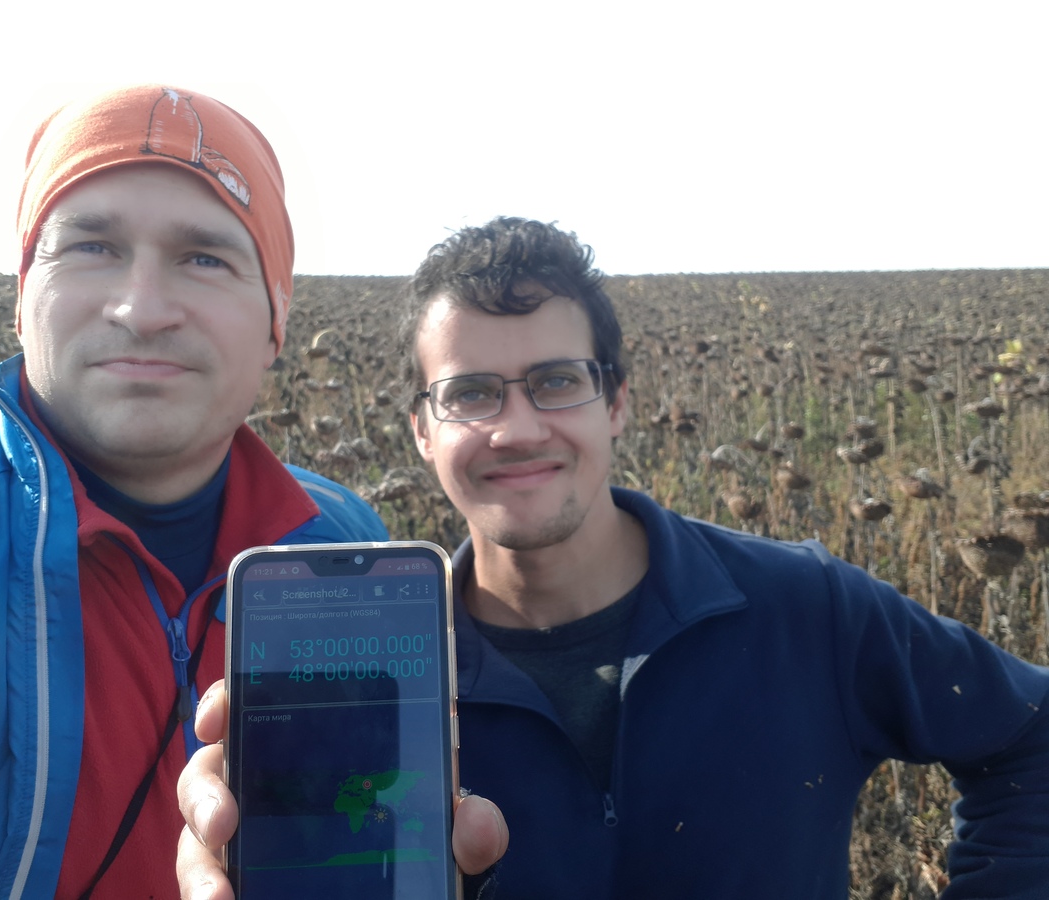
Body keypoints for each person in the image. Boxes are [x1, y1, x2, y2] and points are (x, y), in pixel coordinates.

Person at [179, 215, 1049, 898]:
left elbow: (1030, 736)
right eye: (471, 393)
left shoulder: (802, 608)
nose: (518, 429)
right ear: (421, 430)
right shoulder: (373, 689)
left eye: (557, 381)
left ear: (617, 402)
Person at [0, 84, 505, 899]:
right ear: (23, 297)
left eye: (204, 258)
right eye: (91, 247)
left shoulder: (338, 539)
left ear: (275, 321)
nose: (142, 308)